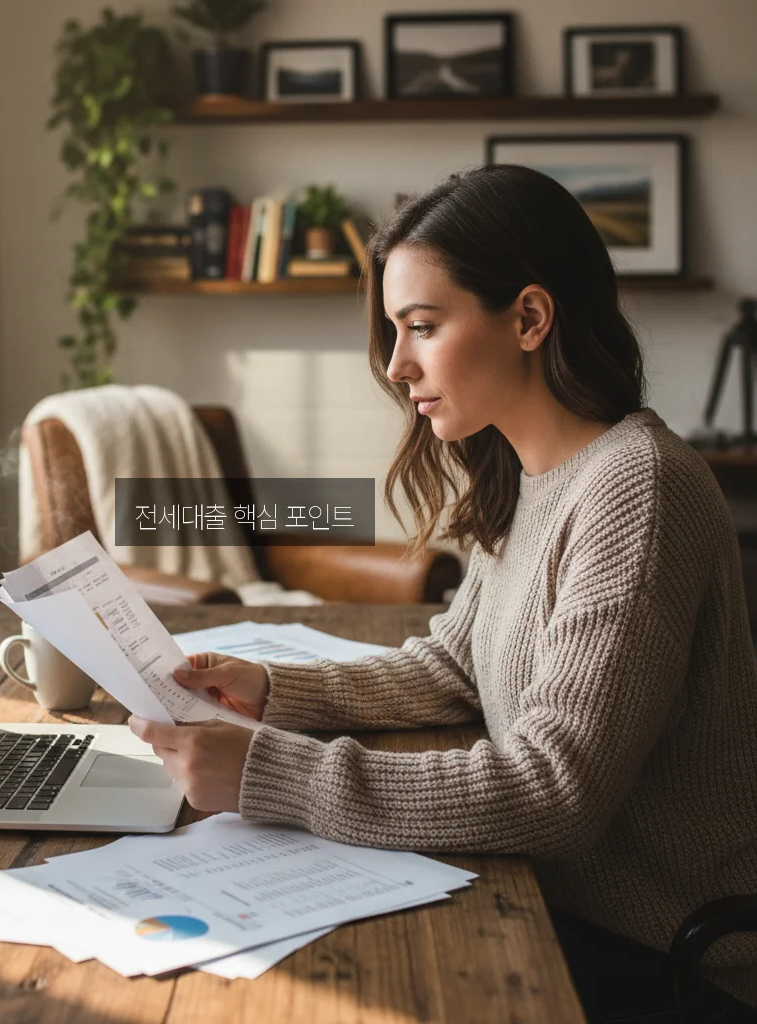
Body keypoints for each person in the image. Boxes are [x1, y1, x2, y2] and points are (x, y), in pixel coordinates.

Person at [128, 165, 757, 1022]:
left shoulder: (636, 490)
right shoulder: (534, 471)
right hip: (552, 901)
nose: (395, 364)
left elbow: (553, 792)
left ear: (530, 318)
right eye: (395, 331)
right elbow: (455, 665)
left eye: (422, 326)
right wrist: (274, 691)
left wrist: (274, 773)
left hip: (661, 954)